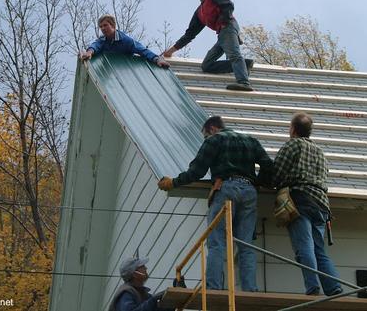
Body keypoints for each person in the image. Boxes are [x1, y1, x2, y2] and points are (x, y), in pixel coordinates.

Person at [158, 116, 273, 291]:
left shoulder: (214, 140)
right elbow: (268, 166)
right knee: (246, 245)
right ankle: (250, 289)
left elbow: (196, 171)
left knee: (217, 242)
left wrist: (173, 182)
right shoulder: (250, 140)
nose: (205, 139)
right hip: (249, 192)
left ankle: (214, 288)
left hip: (226, 189)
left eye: (205, 135)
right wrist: (256, 182)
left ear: (212, 129)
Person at [273, 112, 343, 296]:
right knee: (319, 250)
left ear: (293, 129)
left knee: (304, 246)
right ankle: (333, 287)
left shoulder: (293, 145)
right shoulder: (320, 152)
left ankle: (312, 287)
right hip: (321, 204)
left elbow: (277, 172)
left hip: (301, 199)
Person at [163, 0, 254, 91]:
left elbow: (228, 5)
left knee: (234, 54)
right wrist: (171, 51)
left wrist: (224, 21)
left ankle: (244, 82)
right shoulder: (199, 12)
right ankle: (245, 64)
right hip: (221, 34)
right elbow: (190, 34)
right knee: (207, 65)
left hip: (228, 27)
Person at [81, 14, 170, 68]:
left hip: (123, 69)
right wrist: (89, 52)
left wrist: (157, 59)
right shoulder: (102, 40)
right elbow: (95, 46)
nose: (103, 28)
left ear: (113, 26)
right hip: (108, 69)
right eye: (101, 27)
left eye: (105, 25)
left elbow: (142, 50)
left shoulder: (125, 40)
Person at [108, 257, 173, 311]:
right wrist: (153, 299)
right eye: (142, 267)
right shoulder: (126, 294)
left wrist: (178, 291)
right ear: (134, 274)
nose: (146, 268)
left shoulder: (143, 294)